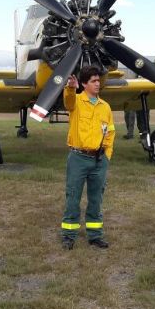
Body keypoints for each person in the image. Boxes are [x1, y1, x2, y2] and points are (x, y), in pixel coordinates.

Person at [61, 65, 116, 250]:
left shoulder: (105, 107)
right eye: (93, 81)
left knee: (96, 199)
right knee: (73, 197)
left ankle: (95, 235)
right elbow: (68, 101)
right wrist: (70, 87)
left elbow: (110, 132)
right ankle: (69, 235)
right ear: (84, 83)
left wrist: (107, 156)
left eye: (98, 80)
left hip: (99, 160)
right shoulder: (75, 101)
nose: (97, 84)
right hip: (78, 158)